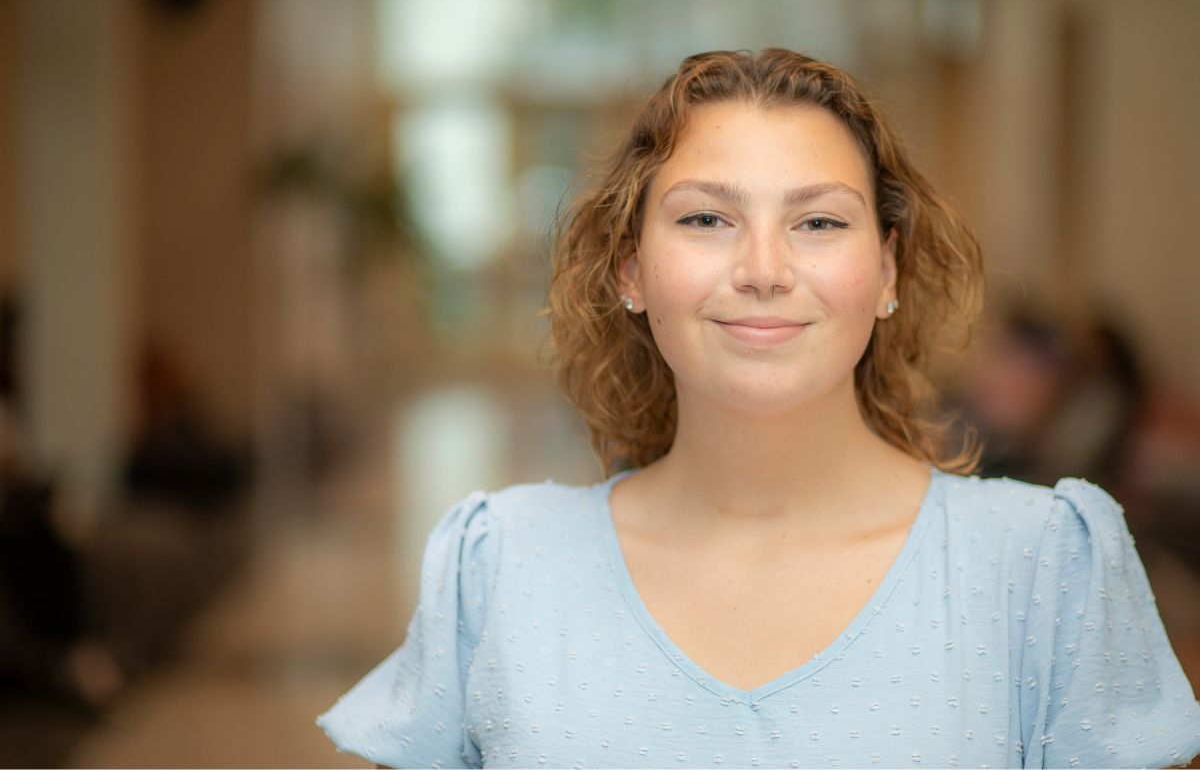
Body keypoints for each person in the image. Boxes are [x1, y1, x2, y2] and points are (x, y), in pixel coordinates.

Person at [316, 49, 1200, 768]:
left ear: (887, 271)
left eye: (819, 222)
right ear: (630, 270)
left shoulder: (1043, 567)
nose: (765, 269)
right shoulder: (499, 565)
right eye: (706, 220)